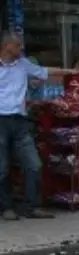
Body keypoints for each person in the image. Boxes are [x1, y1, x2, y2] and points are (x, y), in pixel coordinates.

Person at [0, 32, 67, 220]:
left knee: (34, 164)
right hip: (0, 121)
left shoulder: (24, 64)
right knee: (2, 168)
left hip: (20, 121)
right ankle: (6, 208)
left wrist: (71, 72)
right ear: (7, 46)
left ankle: (32, 206)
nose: (21, 48)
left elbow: (45, 71)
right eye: (18, 45)